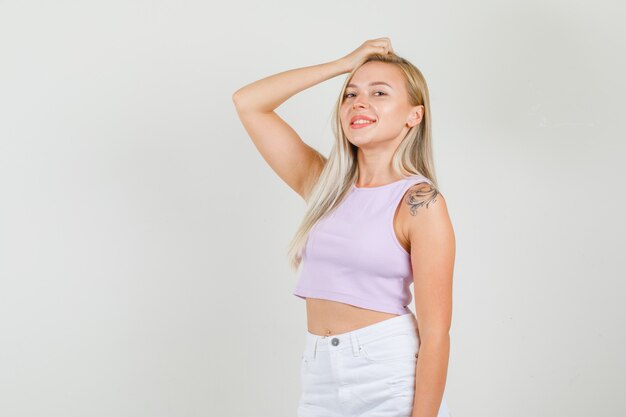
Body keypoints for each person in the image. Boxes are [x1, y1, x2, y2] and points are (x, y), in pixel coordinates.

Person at [232, 38, 455, 417]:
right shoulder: (324, 185)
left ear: (413, 115)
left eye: (379, 92)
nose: (359, 103)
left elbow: (435, 335)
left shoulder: (420, 203)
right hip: (319, 374)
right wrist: (342, 64)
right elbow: (249, 103)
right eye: (350, 94)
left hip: (386, 372)